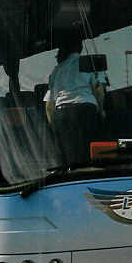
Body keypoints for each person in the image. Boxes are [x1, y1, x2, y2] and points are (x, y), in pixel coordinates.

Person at [45, 35, 105, 167]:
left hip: (62, 114)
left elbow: (50, 103)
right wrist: (101, 110)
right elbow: (99, 91)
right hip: (86, 110)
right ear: (81, 47)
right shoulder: (89, 61)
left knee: (69, 157)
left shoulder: (57, 70)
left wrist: (53, 123)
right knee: (90, 155)